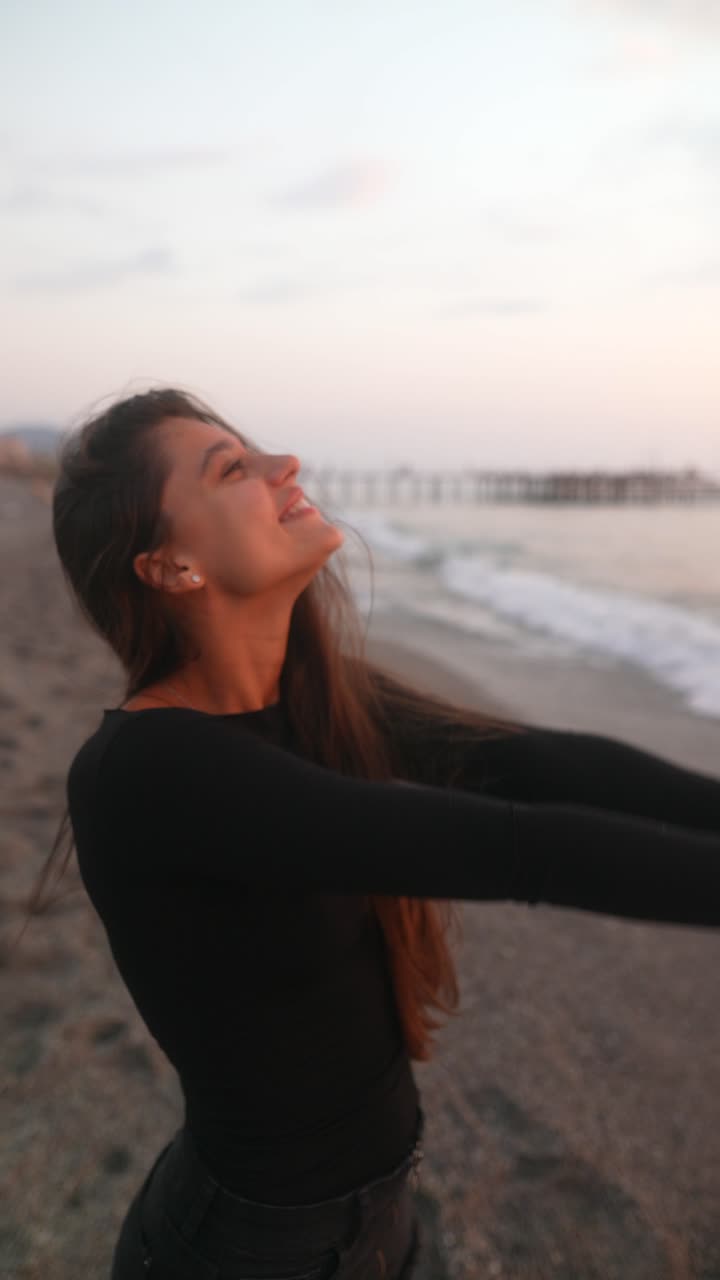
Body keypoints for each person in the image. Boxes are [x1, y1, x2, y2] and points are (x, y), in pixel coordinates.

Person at [36, 387, 718, 1279]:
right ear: (168, 567)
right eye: (234, 469)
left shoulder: (317, 696)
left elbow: (539, 763)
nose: (289, 466)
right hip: (248, 1251)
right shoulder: (148, 771)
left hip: (373, 1219)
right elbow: (517, 845)